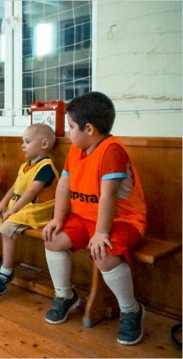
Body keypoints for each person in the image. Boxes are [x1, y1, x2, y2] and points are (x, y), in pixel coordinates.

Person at [42, 91, 147, 346]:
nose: (68, 133)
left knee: (104, 254)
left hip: (123, 220)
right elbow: (63, 185)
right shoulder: (77, 149)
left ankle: (131, 310)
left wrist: (100, 233)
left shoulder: (112, 150)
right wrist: (57, 218)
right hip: (85, 217)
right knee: (52, 239)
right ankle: (65, 296)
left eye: (70, 127)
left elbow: (109, 196)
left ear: (89, 128)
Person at [0, 124, 58, 296]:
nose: (22, 146)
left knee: (7, 228)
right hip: (20, 208)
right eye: (22, 142)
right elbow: (14, 188)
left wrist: (13, 210)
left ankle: (6, 271)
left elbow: (32, 191)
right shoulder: (25, 165)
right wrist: (2, 205)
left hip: (36, 210)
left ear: (44, 144)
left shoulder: (46, 166)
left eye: (27, 141)